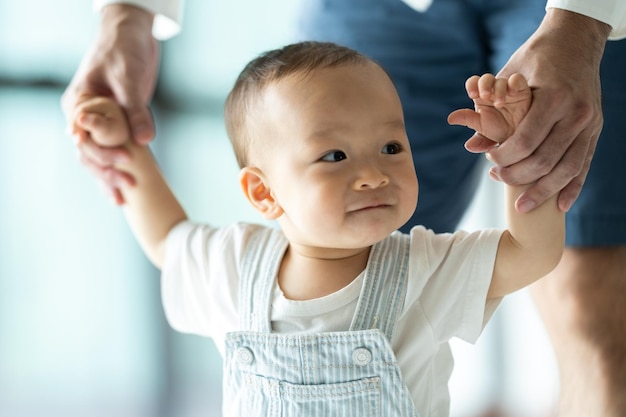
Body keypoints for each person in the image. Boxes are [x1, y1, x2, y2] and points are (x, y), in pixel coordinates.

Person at [62, 1, 626, 415]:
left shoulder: (425, 268)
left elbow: (531, 252)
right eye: (334, 156)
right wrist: (127, 149)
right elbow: (167, 238)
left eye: (392, 147)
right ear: (263, 193)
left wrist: (519, 152)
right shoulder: (236, 264)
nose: (375, 173)